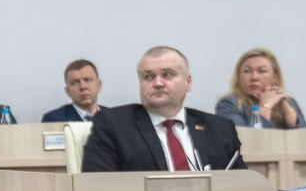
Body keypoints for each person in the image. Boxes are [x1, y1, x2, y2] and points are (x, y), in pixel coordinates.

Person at [82, 46, 245, 172]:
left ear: (188, 82)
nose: (158, 83)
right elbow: (99, 187)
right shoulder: (113, 126)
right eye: (148, 77)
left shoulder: (220, 129)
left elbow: (241, 187)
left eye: (167, 75)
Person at [216, 48, 306, 129]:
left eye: (262, 71)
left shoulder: (290, 102)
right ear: (239, 77)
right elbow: (243, 139)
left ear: (275, 77)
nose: (254, 77)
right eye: (247, 71)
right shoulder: (228, 104)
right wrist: (265, 105)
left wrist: (286, 110)